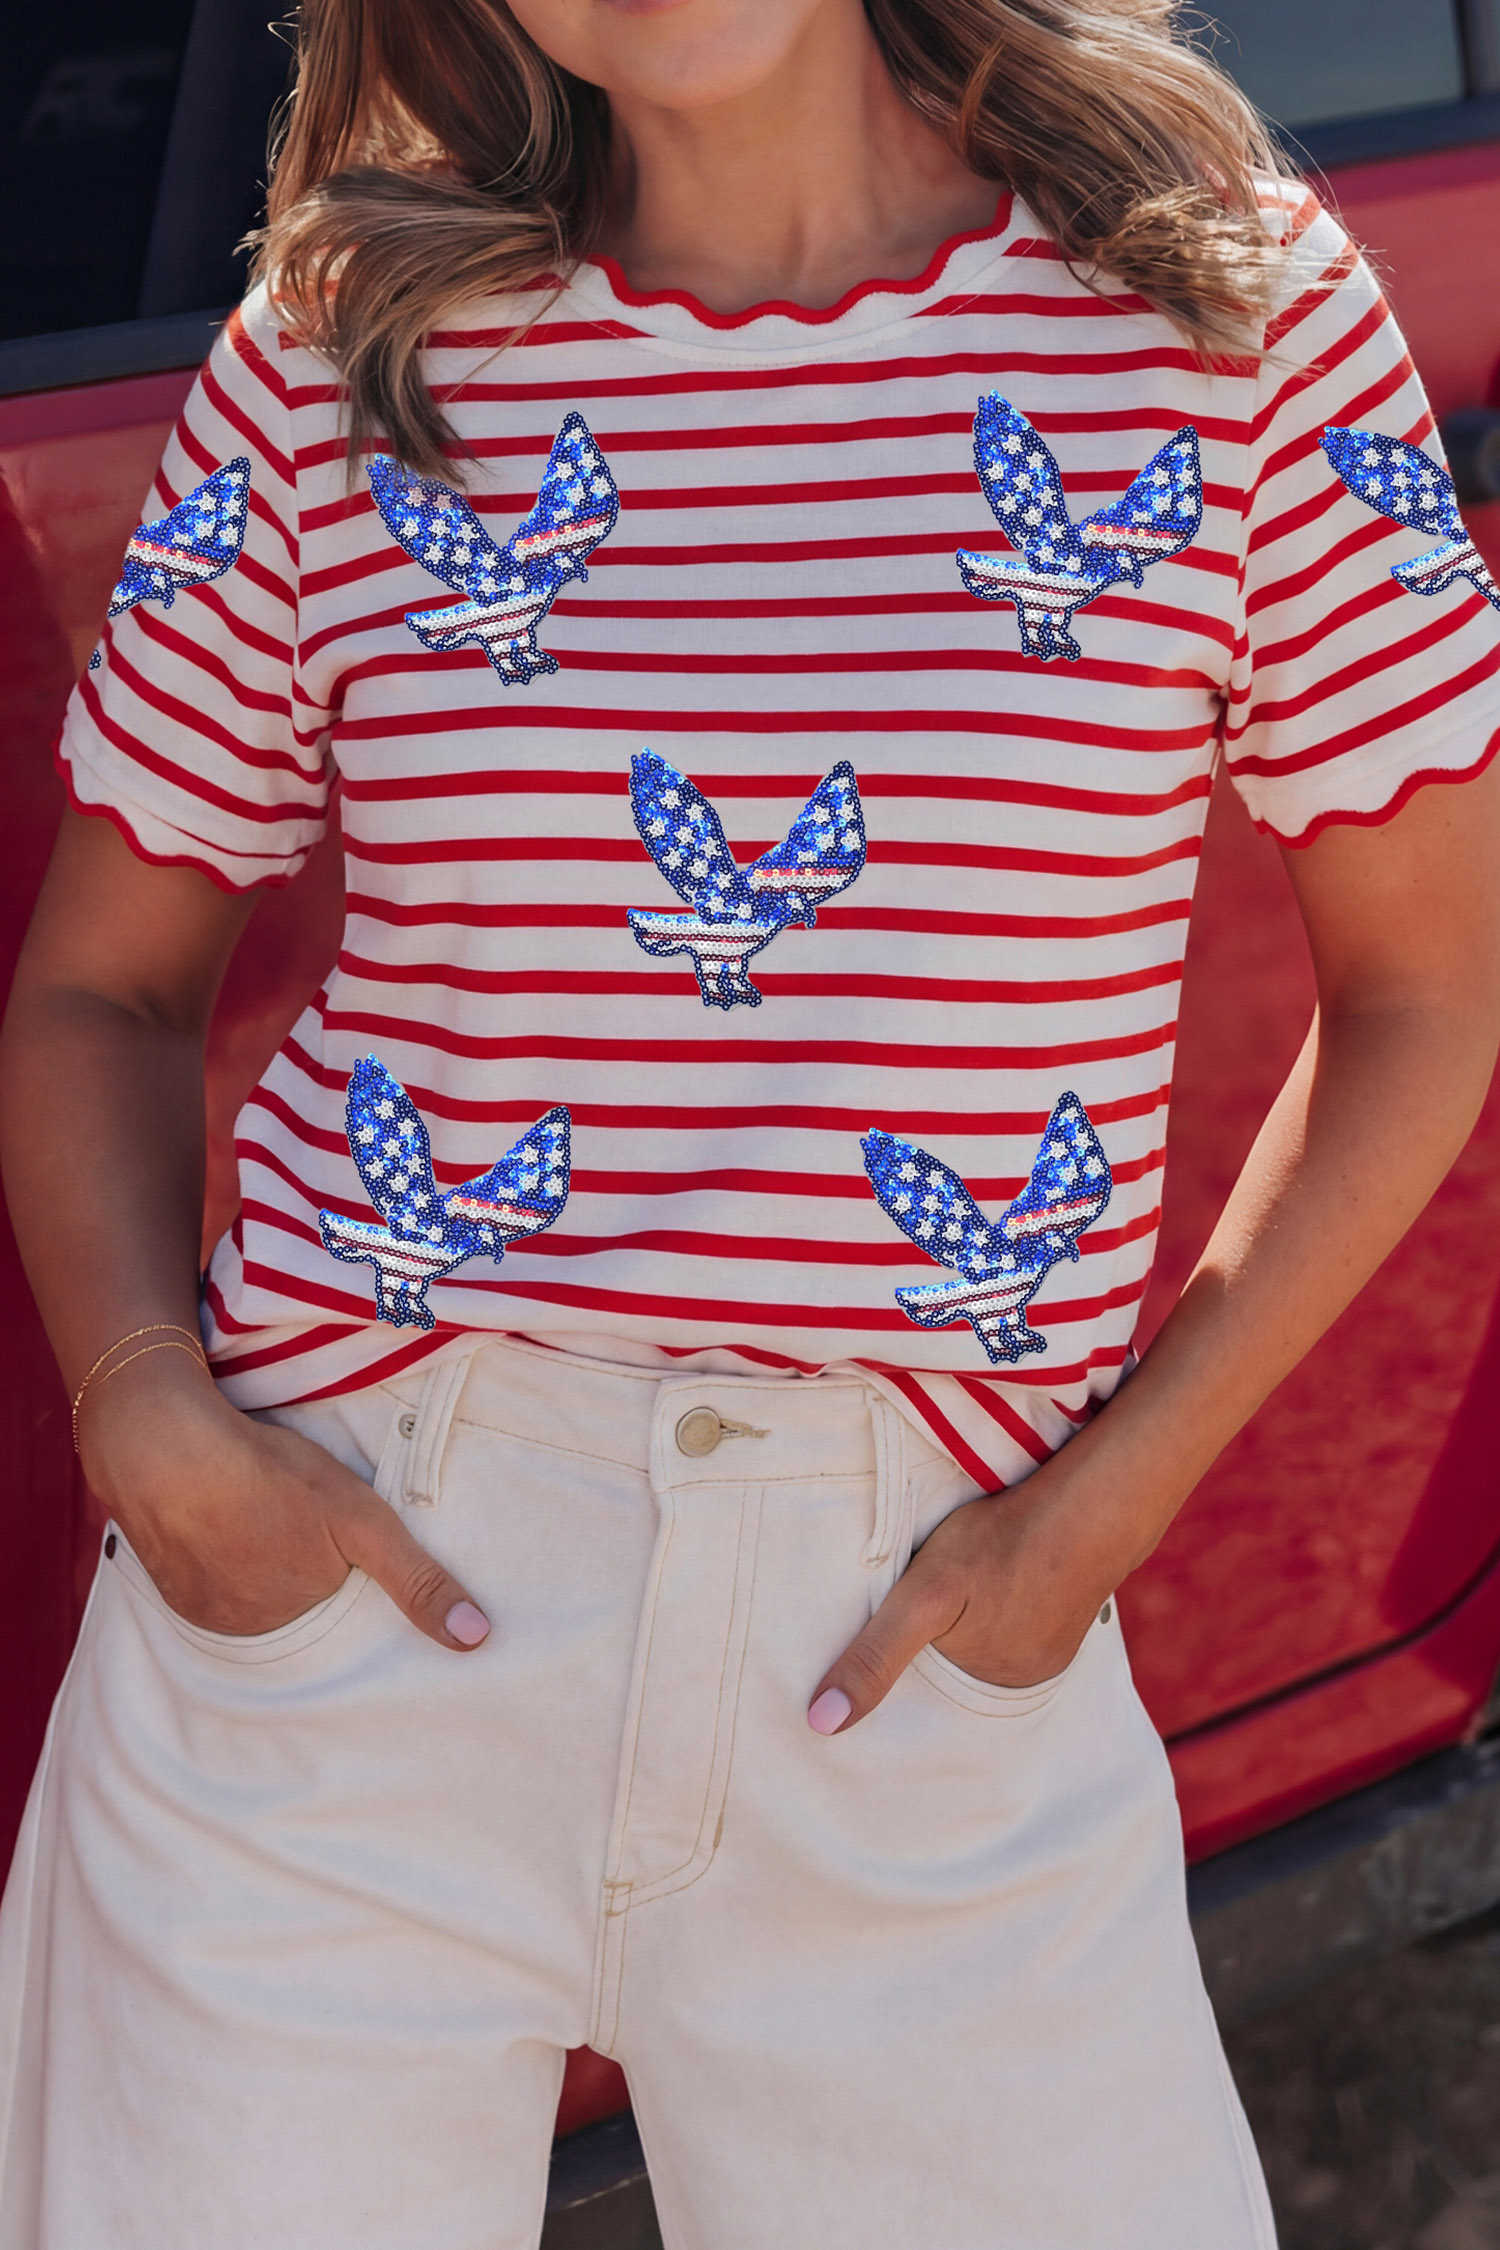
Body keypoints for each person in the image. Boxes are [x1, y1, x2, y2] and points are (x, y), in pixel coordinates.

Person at [3, 1, 1499, 2243]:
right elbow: (100, 991)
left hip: (910, 1644)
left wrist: (1104, 1511)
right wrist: (153, 1433)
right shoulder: (344, 348)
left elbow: (1434, 986)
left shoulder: (1230, 320)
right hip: (334, 1630)